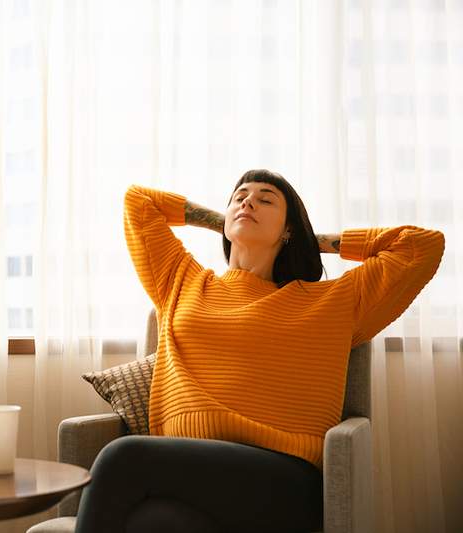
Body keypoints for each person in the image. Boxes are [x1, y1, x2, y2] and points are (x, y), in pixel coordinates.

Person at [74, 169, 445, 533]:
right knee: (153, 524)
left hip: (280, 482)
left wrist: (311, 239)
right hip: (184, 475)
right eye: (240, 197)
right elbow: (138, 203)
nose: (248, 200)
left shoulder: (330, 302)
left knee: (120, 458)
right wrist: (226, 221)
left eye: (266, 199)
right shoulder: (182, 283)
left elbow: (422, 246)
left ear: (288, 230)